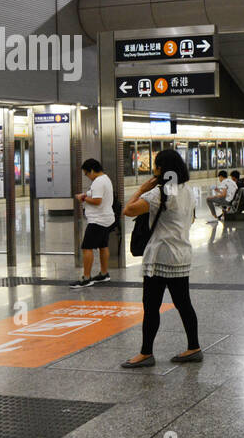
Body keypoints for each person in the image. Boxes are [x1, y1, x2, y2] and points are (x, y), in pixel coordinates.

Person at [120, 149, 202, 368]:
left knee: (151, 306)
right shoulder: (187, 191)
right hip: (182, 255)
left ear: (161, 169)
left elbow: (128, 210)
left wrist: (140, 189)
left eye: (155, 166)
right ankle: (194, 347)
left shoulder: (159, 193)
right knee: (184, 304)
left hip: (160, 257)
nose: (153, 169)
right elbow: (191, 220)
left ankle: (146, 353)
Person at [71, 158, 114, 288]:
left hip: (98, 220)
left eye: (86, 173)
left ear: (92, 170)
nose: (87, 176)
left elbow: (97, 201)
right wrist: (87, 195)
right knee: (103, 246)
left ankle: (87, 278)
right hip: (106, 218)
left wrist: (82, 198)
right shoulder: (106, 179)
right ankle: (104, 273)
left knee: (87, 248)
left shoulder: (98, 182)